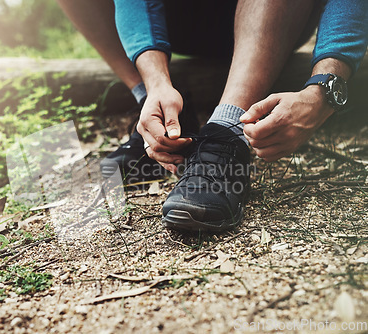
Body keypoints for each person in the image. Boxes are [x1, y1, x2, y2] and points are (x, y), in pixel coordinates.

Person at [56, 0, 368, 232]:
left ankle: (227, 130)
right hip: (183, 19)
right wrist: (155, 84)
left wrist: (324, 88)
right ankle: (166, 114)